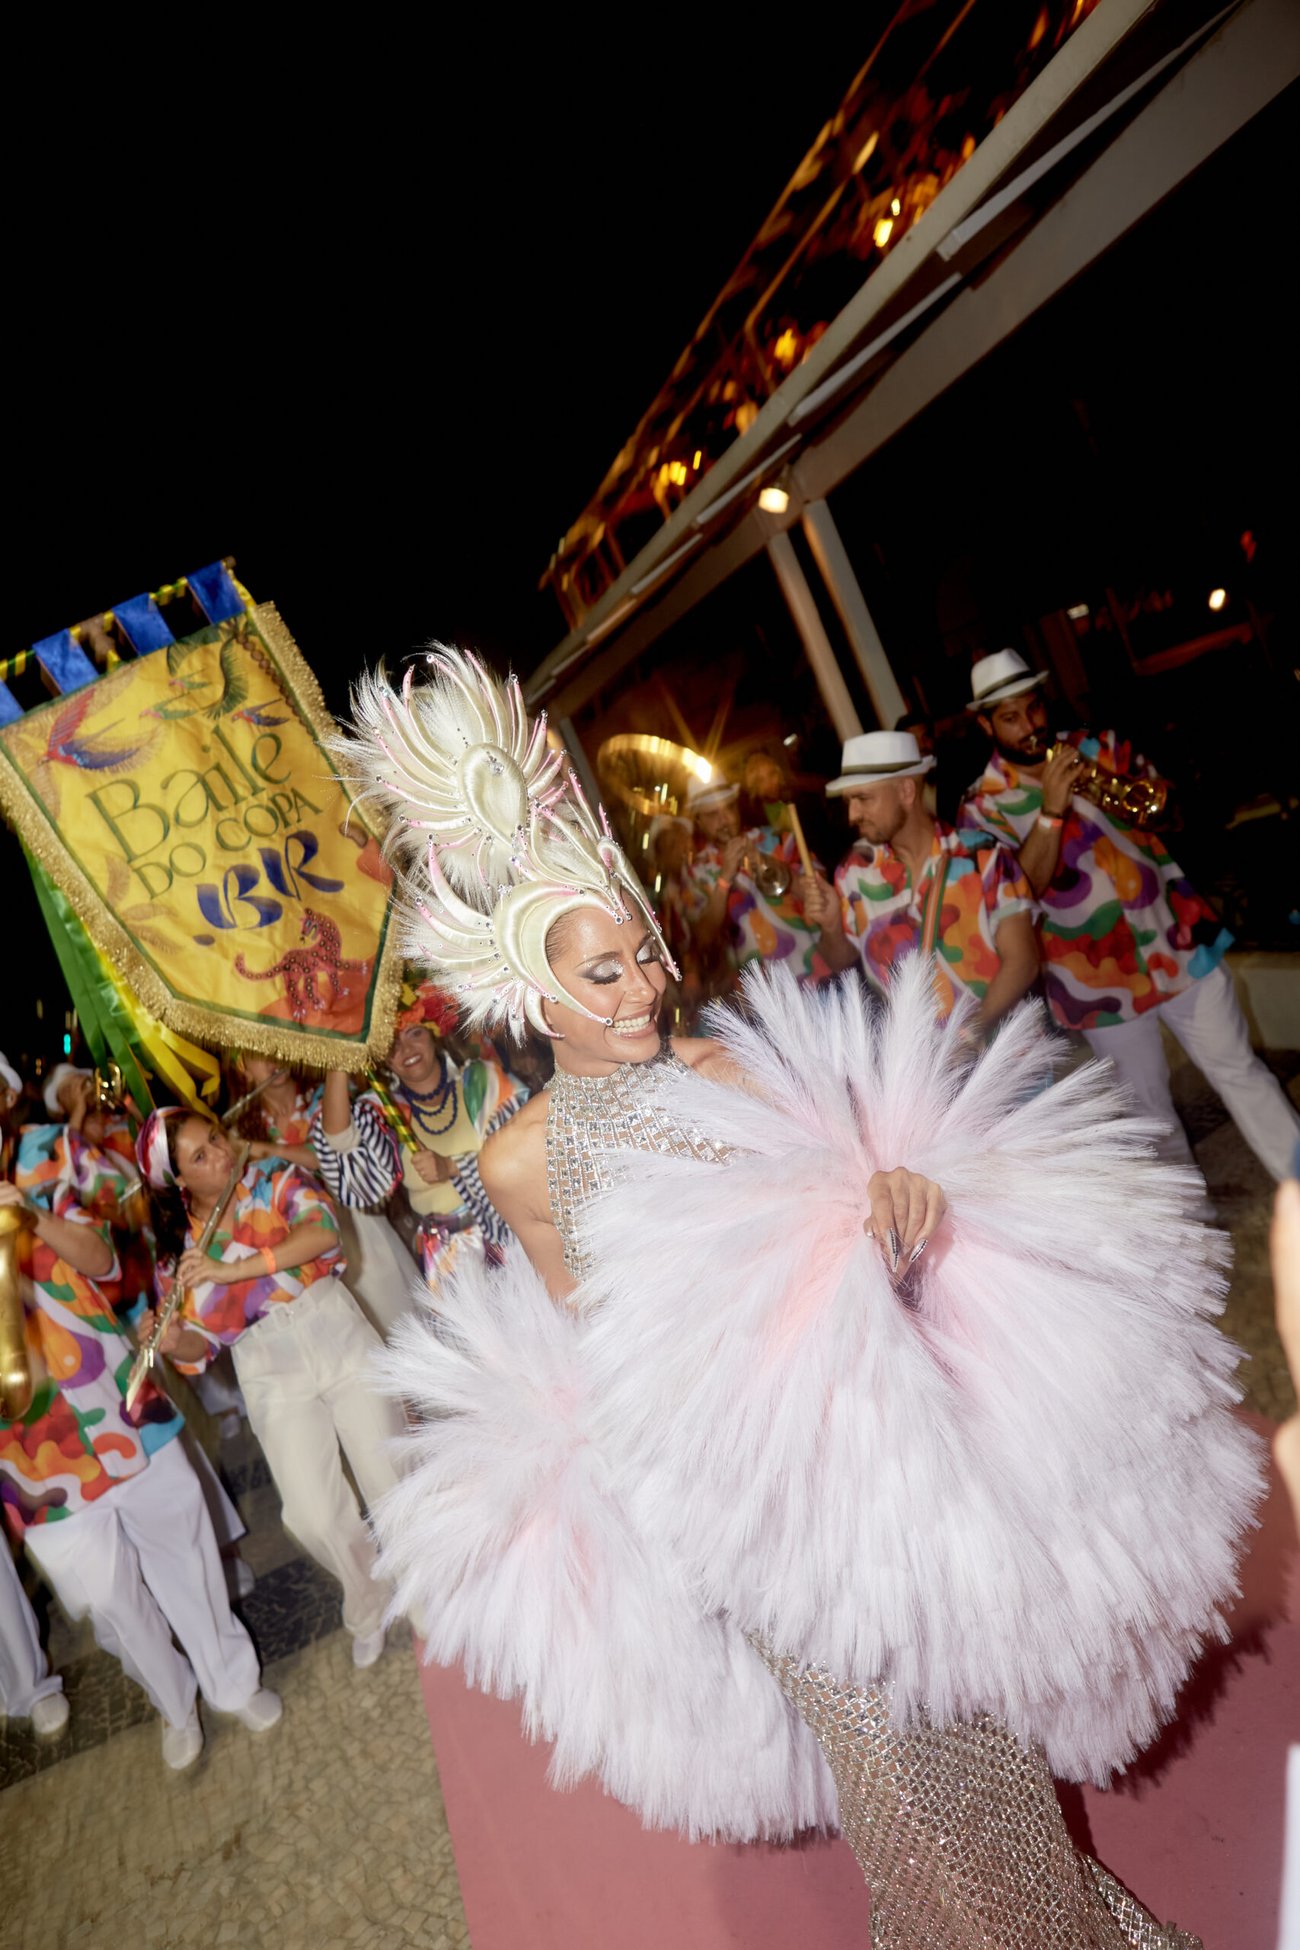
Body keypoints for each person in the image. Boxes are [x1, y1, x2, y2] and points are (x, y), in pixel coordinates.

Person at [341, 644, 1253, 1946]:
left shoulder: (731, 1068)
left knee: (962, 1744)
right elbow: (590, 1335)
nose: (648, 986)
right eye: (606, 974)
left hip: (857, 1461)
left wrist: (897, 1206)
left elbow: (855, 1200)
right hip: (731, 1512)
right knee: (889, 1782)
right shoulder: (520, 1158)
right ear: (532, 994)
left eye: (647, 953)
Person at [958, 648, 1300, 1180]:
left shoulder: (1103, 748)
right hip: (1094, 984)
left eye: (1034, 708)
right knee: (1150, 1120)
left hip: (1180, 943)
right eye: (1009, 717)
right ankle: (1194, 1243)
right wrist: (1050, 812)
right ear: (985, 724)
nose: (1030, 725)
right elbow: (1019, 893)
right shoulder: (981, 807)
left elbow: (1172, 812)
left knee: (1242, 1072)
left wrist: (1153, 800)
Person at [0, 1156, 278, 1770]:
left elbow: (102, 1261)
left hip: (127, 1421)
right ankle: (174, 1705)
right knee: (112, 1604)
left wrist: (29, 1216)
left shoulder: (49, 1194)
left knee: (188, 1554)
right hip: (36, 1473)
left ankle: (233, 1682)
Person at [135, 1108, 405, 1668]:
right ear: (178, 1181)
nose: (221, 1153)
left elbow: (323, 1232)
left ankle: (429, 1578)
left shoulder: (274, 1180)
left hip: (330, 1325)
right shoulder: (176, 1255)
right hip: (266, 1367)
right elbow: (200, 1350)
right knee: (310, 1513)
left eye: (214, 1137)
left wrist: (233, 1270)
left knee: (389, 1472)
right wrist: (168, 1341)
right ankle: (369, 1596)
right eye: (200, 1155)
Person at [802, 730, 1040, 1036]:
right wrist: (832, 925)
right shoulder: (854, 872)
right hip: (926, 1076)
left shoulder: (982, 855)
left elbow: (1023, 962)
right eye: (849, 801)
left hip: (1010, 1060)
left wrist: (964, 1038)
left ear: (906, 791)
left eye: (863, 798)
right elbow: (840, 960)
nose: (852, 815)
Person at [224, 1051, 414, 1339]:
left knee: (401, 1320)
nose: (274, 1059)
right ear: (243, 1069)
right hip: (308, 1248)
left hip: (358, 1230)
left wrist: (264, 1151)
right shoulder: (241, 1131)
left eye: (277, 1048)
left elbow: (326, 1155)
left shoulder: (326, 1095)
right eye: (258, 1055)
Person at [351, 981, 523, 1293]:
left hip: (514, 1236)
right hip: (451, 1264)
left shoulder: (481, 1081)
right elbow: (358, 1185)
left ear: (432, 1033)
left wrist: (452, 1167)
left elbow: (527, 1152)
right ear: (383, 1058)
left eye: (414, 1033)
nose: (406, 1050)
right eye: (392, 1045)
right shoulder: (387, 1115)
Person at [680, 773, 827, 995]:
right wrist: (724, 878)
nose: (724, 820)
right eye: (712, 815)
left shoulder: (779, 839)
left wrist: (762, 859)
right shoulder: (695, 871)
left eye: (728, 808)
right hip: (761, 995)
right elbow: (703, 937)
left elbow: (822, 895)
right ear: (698, 820)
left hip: (815, 972)